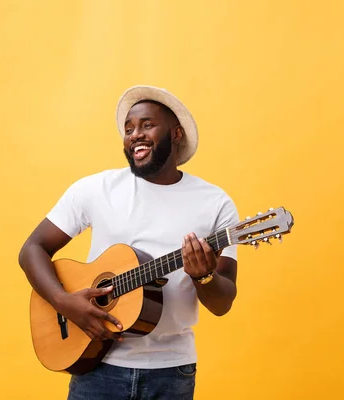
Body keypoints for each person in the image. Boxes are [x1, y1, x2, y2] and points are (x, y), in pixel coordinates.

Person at [18, 85, 239, 399]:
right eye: (129, 129)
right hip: (97, 367)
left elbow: (223, 302)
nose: (135, 134)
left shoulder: (215, 203)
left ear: (176, 134)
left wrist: (203, 275)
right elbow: (32, 249)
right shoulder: (96, 189)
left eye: (147, 125)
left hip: (172, 373)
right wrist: (63, 302)